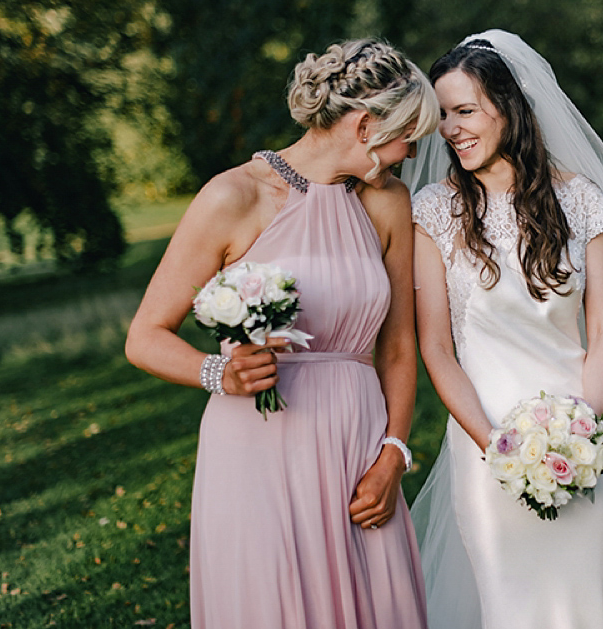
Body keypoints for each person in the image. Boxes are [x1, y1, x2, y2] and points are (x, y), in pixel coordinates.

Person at [125, 38, 437, 629]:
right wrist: (218, 372)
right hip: (258, 450)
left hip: (359, 448)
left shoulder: (388, 202)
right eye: (407, 136)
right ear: (365, 125)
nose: (413, 151)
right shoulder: (233, 197)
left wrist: (394, 453)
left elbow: (397, 345)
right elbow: (144, 335)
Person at [402, 29, 603, 629]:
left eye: (465, 111)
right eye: (444, 115)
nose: (450, 129)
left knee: (597, 599)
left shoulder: (581, 199)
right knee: (513, 606)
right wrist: (497, 448)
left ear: (510, 108)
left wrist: (586, 427)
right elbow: (435, 347)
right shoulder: (433, 211)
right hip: (487, 444)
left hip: (586, 432)